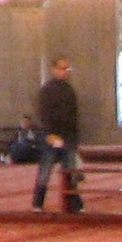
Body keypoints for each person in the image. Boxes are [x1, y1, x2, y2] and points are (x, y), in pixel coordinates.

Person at [32, 57, 84, 213]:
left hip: (68, 138)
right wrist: (48, 134)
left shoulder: (70, 90)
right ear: (54, 70)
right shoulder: (47, 90)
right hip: (51, 138)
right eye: (62, 68)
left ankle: (75, 204)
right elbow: (42, 114)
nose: (65, 72)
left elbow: (73, 117)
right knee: (45, 171)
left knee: (70, 172)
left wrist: (74, 140)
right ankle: (38, 203)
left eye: (67, 69)